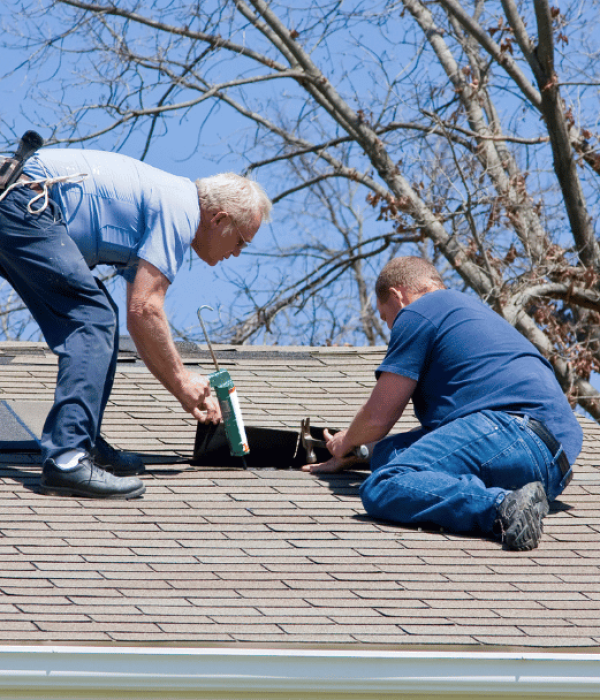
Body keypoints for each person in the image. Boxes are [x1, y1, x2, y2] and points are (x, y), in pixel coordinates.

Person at [0, 147, 272, 500]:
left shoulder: (166, 200)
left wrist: (181, 388)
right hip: (25, 202)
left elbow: (137, 318)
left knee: (101, 318)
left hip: (17, 201)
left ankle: (85, 442)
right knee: (92, 318)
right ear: (219, 220)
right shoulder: (180, 210)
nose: (236, 252)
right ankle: (68, 459)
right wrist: (183, 381)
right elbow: (147, 309)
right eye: (240, 241)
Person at [303, 256, 582, 551]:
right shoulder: (470, 313)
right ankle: (516, 500)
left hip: (510, 431)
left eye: (387, 318)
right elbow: (438, 441)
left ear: (398, 296)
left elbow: (378, 418)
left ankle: (502, 507)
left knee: (384, 483)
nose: (391, 329)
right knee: (387, 455)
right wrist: (362, 453)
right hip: (551, 468)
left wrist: (345, 442)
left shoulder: (418, 312)